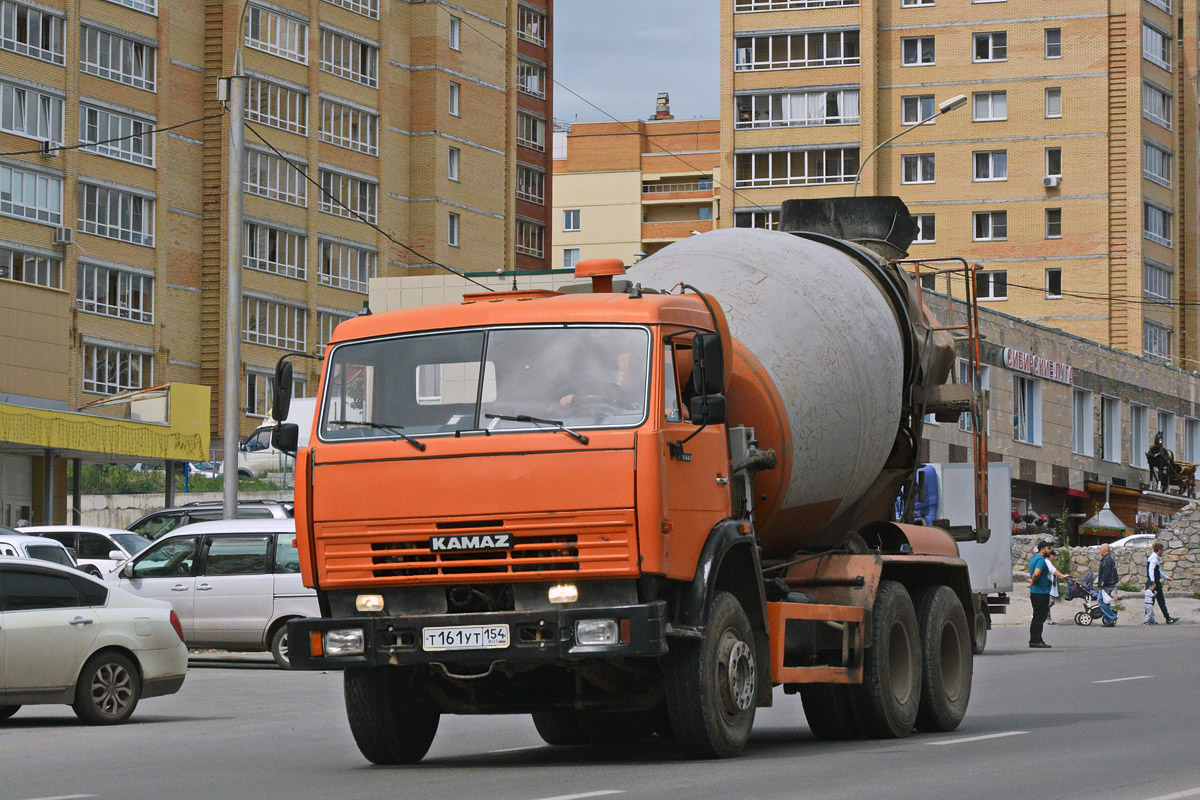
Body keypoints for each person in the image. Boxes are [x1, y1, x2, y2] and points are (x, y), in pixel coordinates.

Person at [1028, 540, 1056, 648]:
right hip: (1040, 593)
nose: (1050, 551)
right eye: (1048, 548)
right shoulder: (1040, 560)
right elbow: (1037, 573)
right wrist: (1033, 582)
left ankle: (1036, 639)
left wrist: (1032, 581)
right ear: (1042, 549)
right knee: (1039, 617)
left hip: (1039, 592)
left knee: (1038, 616)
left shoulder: (1036, 559)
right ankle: (1035, 640)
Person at [1147, 542, 1178, 624]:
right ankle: (1167, 618)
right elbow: (1151, 569)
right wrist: (1153, 581)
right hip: (1154, 582)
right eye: (1162, 550)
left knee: (1151, 601)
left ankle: (1149, 619)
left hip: (1153, 581)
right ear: (1159, 550)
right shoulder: (1154, 558)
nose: (1163, 552)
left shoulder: (1154, 557)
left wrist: (1166, 577)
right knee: (1160, 601)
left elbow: (1158, 570)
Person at [1097, 543, 1119, 627]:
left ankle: (1112, 616)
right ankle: (1109, 621)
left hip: (1107, 584)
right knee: (1106, 602)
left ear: (1104, 550)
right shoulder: (1108, 559)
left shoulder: (1107, 560)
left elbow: (1106, 573)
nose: (1100, 551)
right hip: (1109, 583)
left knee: (1101, 601)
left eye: (1100, 549)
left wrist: (1101, 584)